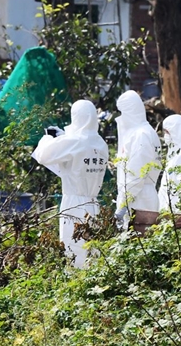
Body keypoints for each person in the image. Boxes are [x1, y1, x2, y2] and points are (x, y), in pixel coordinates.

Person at [32, 100, 108, 268]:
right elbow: (73, 166)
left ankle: (76, 288)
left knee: (73, 252)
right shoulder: (100, 143)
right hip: (93, 203)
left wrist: (48, 138)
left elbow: (43, 155)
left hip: (73, 204)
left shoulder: (75, 141)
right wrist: (63, 138)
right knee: (91, 251)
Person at [115, 90, 161, 229]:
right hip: (141, 197)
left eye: (122, 112)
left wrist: (122, 206)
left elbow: (135, 175)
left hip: (138, 199)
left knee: (138, 243)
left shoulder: (141, 135)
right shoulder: (144, 132)